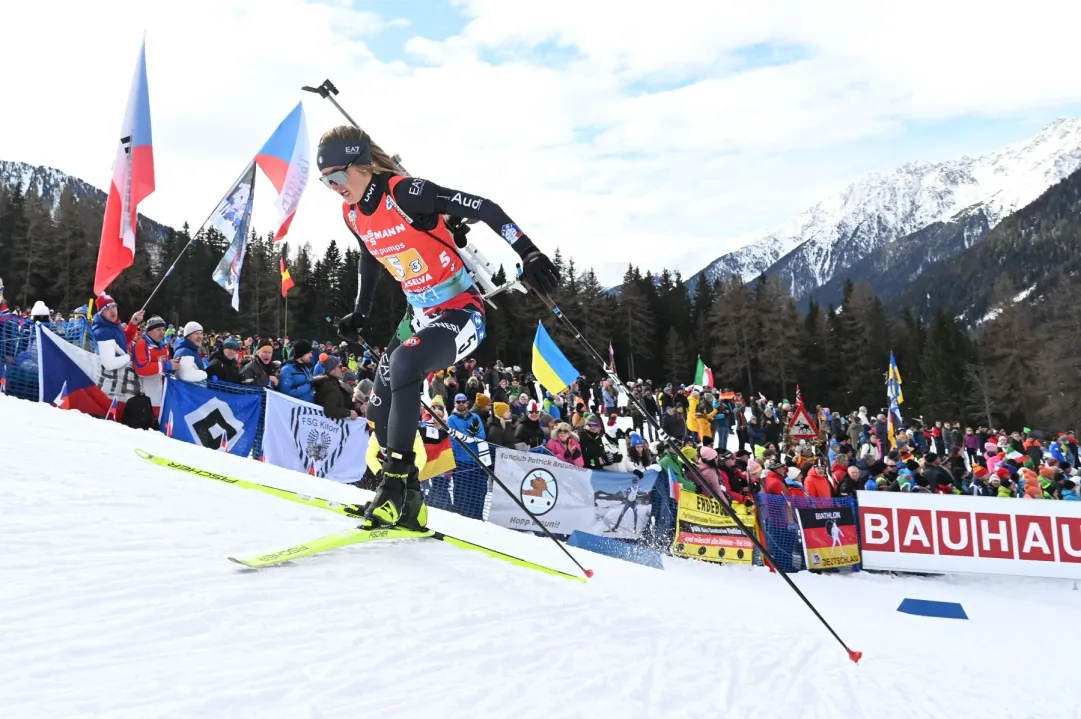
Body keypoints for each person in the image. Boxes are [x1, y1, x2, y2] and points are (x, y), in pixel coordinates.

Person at [317, 124, 558, 529]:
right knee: (379, 407)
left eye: (339, 176)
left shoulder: (405, 192)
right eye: (326, 182)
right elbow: (370, 256)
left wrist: (528, 251)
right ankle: (409, 497)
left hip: (462, 311)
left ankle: (392, 486)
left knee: (406, 365)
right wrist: (361, 311)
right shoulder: (352, 213)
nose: (335, 187)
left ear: (361, 165)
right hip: (419, 315)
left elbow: (484, 207)